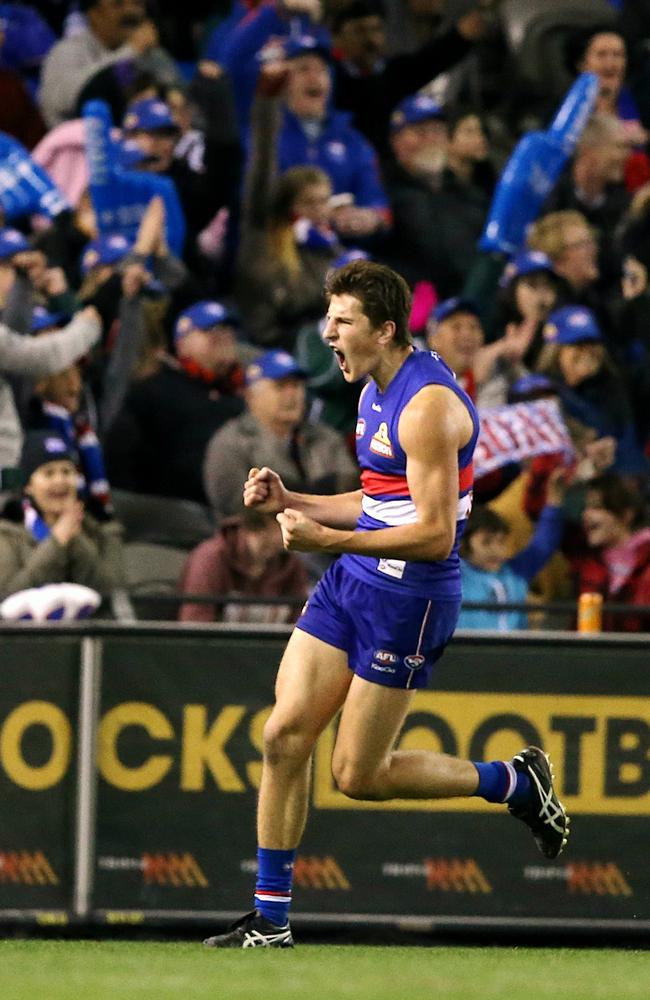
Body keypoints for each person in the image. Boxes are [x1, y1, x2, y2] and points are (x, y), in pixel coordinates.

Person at [202, 259, 569, 950]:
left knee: (358, 776)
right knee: (283, 737)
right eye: (328, 319)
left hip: (411, 597)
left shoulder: (428, 405)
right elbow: (378, 502)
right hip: (357, 578)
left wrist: (326, 536)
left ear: (386, 330)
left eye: (342, 322)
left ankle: (514, 781)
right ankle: (271, 921)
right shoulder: (374, 388)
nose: (328, 334)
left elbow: (435, 534)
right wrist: (294, 499)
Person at [103, 300, 246, 502]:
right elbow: (119, 457)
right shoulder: (154, 390)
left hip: (233, 508)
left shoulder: (243, 395)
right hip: (170, 509)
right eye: (210, 331)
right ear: (182, 344)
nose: (222, 337)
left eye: (227, 330)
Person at [203, 348, 358, 524]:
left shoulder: (326, 438)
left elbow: (351, 490)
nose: (292, 394)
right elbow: (234, 505)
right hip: (264, 541)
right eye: (281, 386)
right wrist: (313, 491)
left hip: (331, 533)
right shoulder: (231, 442)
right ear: (251, 396)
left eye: (297, 385)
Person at [0, 429, 124, 602]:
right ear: (28, 486)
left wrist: (75, 538)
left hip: (92, 628)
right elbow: (7, 597)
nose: (60, 480)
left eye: (67, 471)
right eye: (49, 473)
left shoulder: (105, 529)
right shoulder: (7, 533)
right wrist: (56, 542)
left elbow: (113, 592)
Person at [38, 0, 182, 128]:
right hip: (81, 149)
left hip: (149, 149)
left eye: (137, 3)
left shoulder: (153, 55)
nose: (131, 12)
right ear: (94, 14)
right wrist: (129, 52)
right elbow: (60, 102)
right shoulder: (68, 50)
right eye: (118, 4)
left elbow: (183, 104)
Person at [458, 468, 566, 632]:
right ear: (463, 544)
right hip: (466, 654)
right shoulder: (453, 574)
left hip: (513, 655)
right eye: (486, 542)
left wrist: (554, 502)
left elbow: (543, 545)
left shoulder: (515, 571)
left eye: (501, 542)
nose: (496, 550)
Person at [178, 508, 309, 624]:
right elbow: (196, 625)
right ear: (267, 519)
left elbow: (301, 625)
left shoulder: (291, 565)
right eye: (289, 519)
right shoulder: (210, 558)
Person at [569, 472, 650, 633]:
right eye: (586, 507)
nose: (586, 514)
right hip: (593, 655)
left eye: (597, 507)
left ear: (626, 515)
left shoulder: (647, 561)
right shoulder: (587, 562)